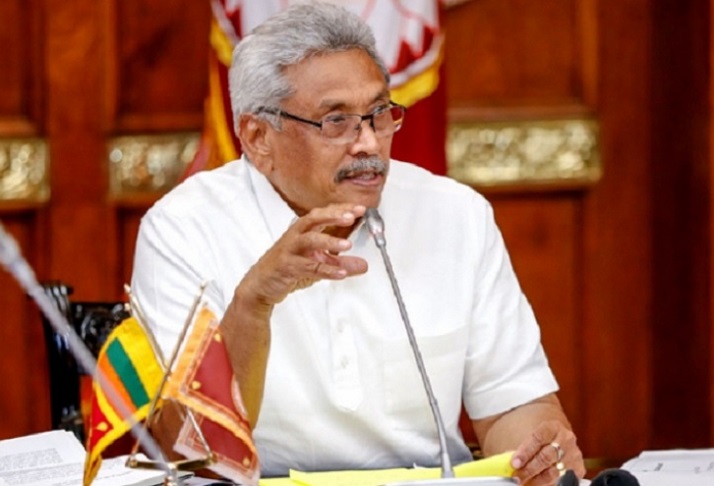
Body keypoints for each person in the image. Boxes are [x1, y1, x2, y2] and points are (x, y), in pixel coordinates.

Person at [131, 3, 585, 485]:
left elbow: (513, 403)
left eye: (378, 115)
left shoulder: (456, 214)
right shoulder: (182, 228)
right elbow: (186, 449)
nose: (368, 143)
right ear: (258, 136)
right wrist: (254, 302)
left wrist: (538, 452)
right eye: (336, 122)